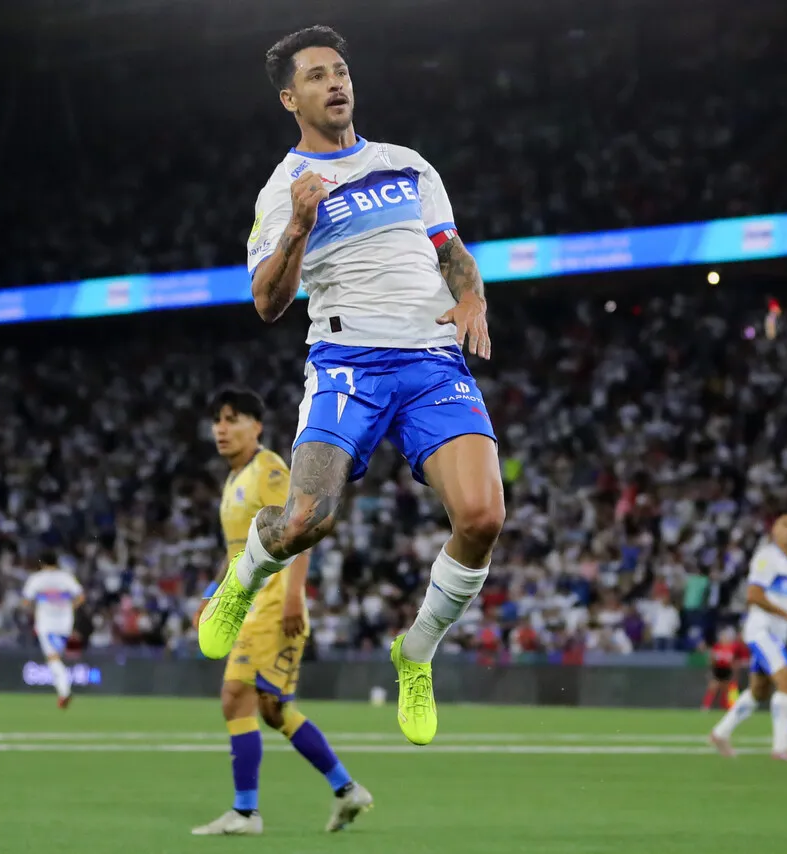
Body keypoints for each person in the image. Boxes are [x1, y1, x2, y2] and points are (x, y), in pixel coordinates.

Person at [197, 26, 504, 749]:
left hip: (431, 362)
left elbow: (452, 254)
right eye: (317, 76)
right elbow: (268, 302)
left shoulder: (408, 166)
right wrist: (301, 223)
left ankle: (416, 652)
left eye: (341, 71)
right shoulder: (282, 191)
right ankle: (240, 582)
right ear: (289, 97)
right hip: (347, 363)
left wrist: (473, 298)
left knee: (484, 517)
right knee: (305, 515)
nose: (336, 83)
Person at [192, 388, 372, 836]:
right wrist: (213, 594)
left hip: (272, 603)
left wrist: (294, 594)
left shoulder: (268, 469)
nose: (221, 428)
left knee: (236, 696)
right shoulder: (233, 481)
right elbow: (237, 552)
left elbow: (301, 523)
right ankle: (347, 789)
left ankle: (246, 812)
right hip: (248, 605)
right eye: (217, 419)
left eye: (232, 418)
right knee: (272, 709)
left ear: (256, 425)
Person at [709, 512, 787, 761]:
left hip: (776, 633)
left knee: (759, 690)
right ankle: (781, 748)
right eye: (786, 525)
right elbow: (753, 595)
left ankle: (720, 733)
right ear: (774, 529)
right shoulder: (767, 557)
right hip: (762, 630)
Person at [20, 552, 85, 709]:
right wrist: (68, 606)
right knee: (56, 657)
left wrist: (39, 607)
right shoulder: (65, 578)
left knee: (53, 659)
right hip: (65, 624)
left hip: (46, 625)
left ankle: (64, 691)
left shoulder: (37, 579)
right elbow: (81, 597)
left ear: (41, 563)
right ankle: (64, 690)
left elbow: (25, 602)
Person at [703, 626, 749, 710]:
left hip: (728, 671)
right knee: (713, 688)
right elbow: (712, 660)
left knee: (728, 690)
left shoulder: (734, 647)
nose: (723, 639)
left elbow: (738, 659)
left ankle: (729, 707)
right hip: (718, 670)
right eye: (722, 637)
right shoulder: (717, 647)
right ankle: (705, 707)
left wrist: (735, 669)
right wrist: (711, 669)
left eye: (725, 637)